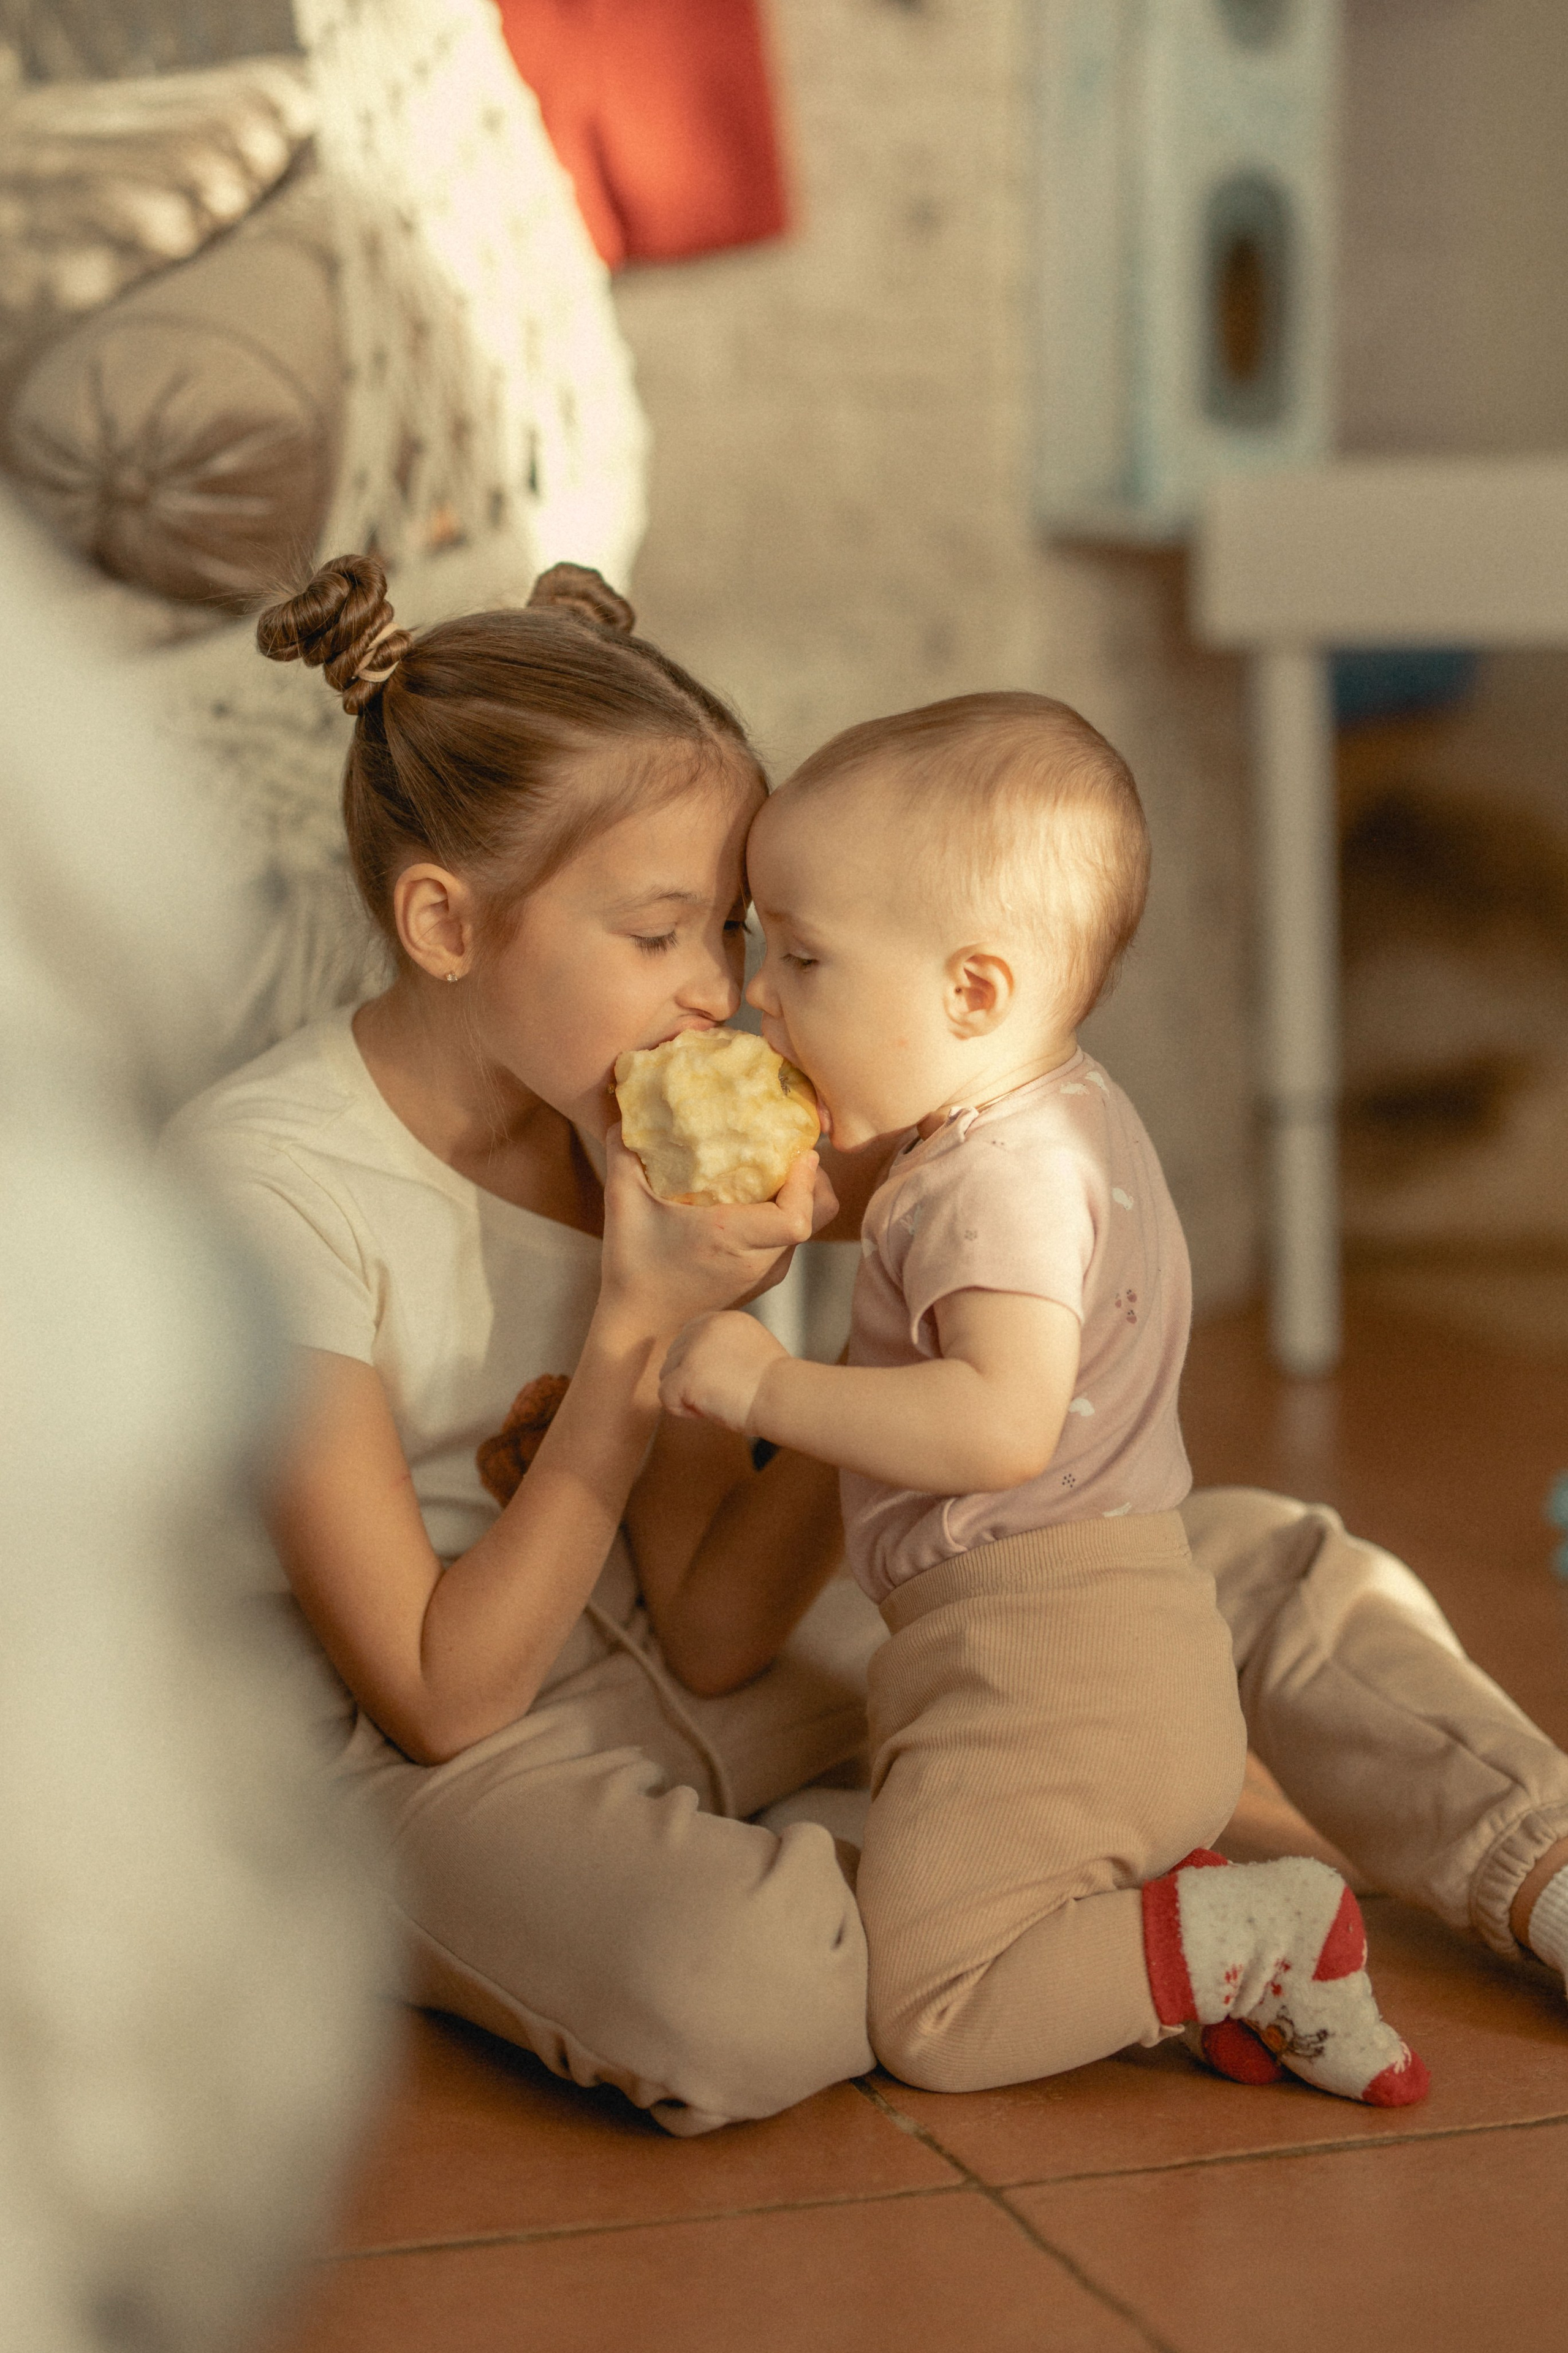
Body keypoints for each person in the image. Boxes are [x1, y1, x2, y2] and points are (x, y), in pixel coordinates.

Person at [167, 553, 1568, 2138]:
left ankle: (1534, 1861)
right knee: (747, 1988)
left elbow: (714, 1630)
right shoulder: (269, 1191)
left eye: (741, 933)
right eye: (661, 936)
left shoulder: (632, 1124)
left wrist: (874, 1317)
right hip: (468, 1746)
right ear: (444, 922)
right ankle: (1026, 1877)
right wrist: (640, 1330)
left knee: (1227, 1568)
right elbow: (439, 1692)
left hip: (699, 1665)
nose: (723, 998)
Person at [661, 693, 1431, 2103]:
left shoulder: (991, 1184)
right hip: (1098, 1653)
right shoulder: (1053, 1119)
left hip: (1049, 1670)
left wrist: (770, 1381)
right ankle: (1217, 1951)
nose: (760, 991)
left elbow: (997, 1428)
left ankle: (1252, 1936)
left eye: (804, 957)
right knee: (958, 1885)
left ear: (972, 991)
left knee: (928, 2011)